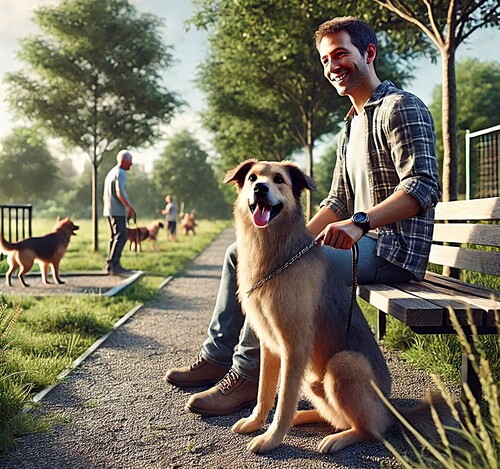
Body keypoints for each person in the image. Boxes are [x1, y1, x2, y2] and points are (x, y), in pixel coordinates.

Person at [164, 16, 441, 417]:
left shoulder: (401, 107)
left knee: (278, 277)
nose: (332, 66)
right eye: (326, 59)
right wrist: (283, 243)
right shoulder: (351, 126)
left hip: (391, 251)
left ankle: (245, 377)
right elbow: (335, 201)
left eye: (341, 54)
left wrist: (359, 222)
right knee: (240, 255)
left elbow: (422, 186)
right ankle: (216, 357)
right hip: (357, 242)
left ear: (369, 53)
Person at [103, 149, 136, 276]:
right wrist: (129, 207)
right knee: (121, 236)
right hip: (117, 211)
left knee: (114, 237)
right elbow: (119, 192)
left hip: (109, 210)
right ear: (124, 161)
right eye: (130, 161)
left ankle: (110, 264)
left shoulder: (111, 172)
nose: (131, 164)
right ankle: (115, 265)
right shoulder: (120, 173)